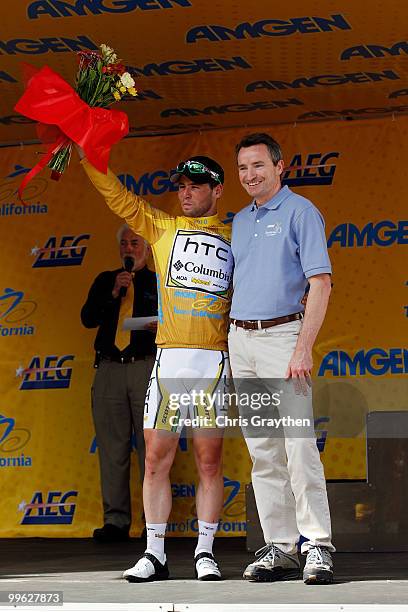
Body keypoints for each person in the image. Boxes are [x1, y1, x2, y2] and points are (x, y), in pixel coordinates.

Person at [79, 150, 232, 582]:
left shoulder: (238, 233)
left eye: (195, 186)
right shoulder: (161, 227)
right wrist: (89, 155)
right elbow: (119, 198)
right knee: (154, 461)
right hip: (168, 359)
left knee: (208, 463)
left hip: (212, 360)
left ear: (217, 190)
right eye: (181, 186)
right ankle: (155, 553)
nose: (185, 193)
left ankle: (205, 551)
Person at [228, 132, 335, 584]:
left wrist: (302, 348)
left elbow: (321, 283)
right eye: (242, 169)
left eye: (258, 166)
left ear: (279, 166)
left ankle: (317, 545)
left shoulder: (300, 211)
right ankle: (281, 546)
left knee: (298, 446)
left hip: (283, 338)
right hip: (242, 341)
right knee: (264, 451)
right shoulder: (239, 219)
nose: (250, 175)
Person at [81, 225, 157, 542]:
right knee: (113, 449)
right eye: (124, 243)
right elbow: (88, 318)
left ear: (148, 248)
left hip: (145, 367)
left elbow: (176, 319)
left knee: (152, 448)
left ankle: (153, 521)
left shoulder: (160, 280)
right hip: (111, 367)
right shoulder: (106, 279)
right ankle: (115, 520)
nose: (129, 248)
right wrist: (113, 293)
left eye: (135, 243)